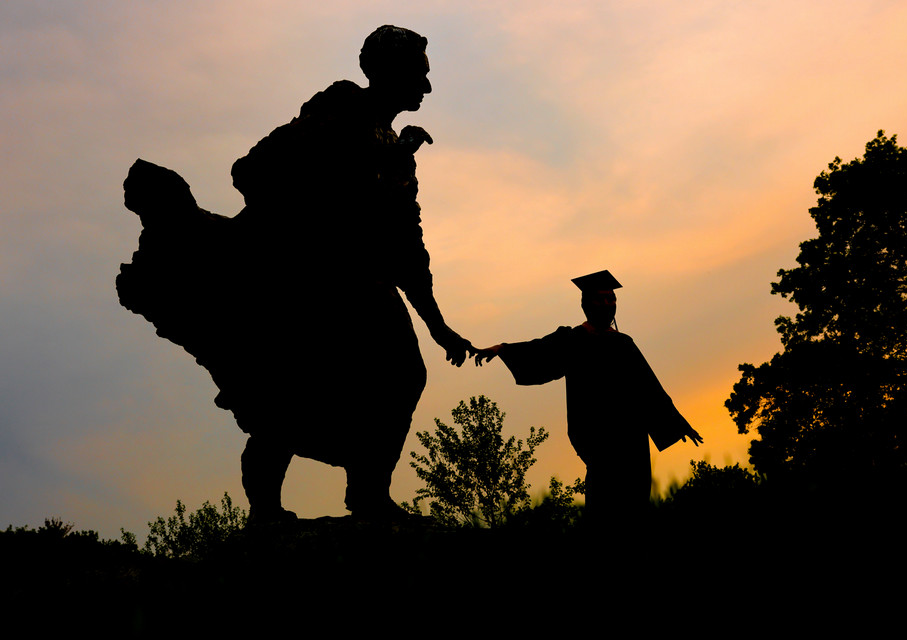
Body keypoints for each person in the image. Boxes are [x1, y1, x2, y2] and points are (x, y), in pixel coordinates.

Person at [118, 25, 471, 523]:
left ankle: (368, 495)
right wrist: (366, 168)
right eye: (420, 74)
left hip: (364, 283)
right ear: (388, 70)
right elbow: (254, 170)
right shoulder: (339, 110)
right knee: (288, 389)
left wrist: (438, 325)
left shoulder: (398, 153)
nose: (427, 88)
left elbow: (407, 247)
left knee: (401, 376)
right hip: (306, 278)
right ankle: (266, 509)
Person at [474, 270, 702, 524]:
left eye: (612, 299)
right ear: (586, 304)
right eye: (601, 299)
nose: (608, 305)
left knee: (634, 511)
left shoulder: (624, 344)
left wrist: (677, 423)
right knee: (602, 509)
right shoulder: (572, 341)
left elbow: (648, 388)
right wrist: (502, 349)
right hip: (598, 438)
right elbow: (538, 349)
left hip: (630, 440)